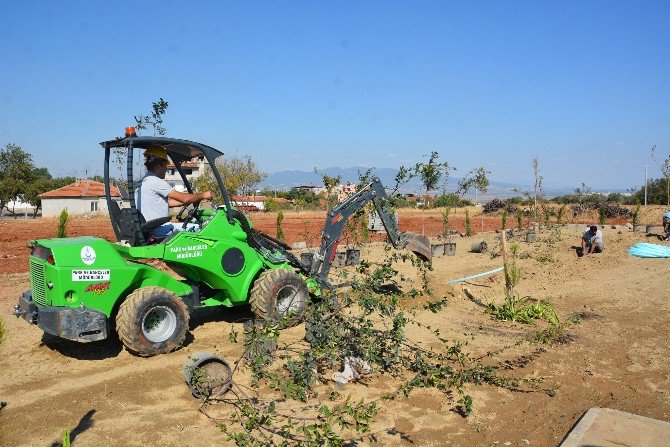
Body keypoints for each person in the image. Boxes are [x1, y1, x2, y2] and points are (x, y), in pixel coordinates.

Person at [135, 145, 213, 238]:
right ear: (158, 166)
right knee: (201, 228)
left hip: (151, 229)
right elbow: (184, 199)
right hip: (158, 230)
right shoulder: (155, 181)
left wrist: (194, 199)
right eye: (165, 166)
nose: (166, 170)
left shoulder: (144, 181)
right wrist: (203, 195)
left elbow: (169, 203)